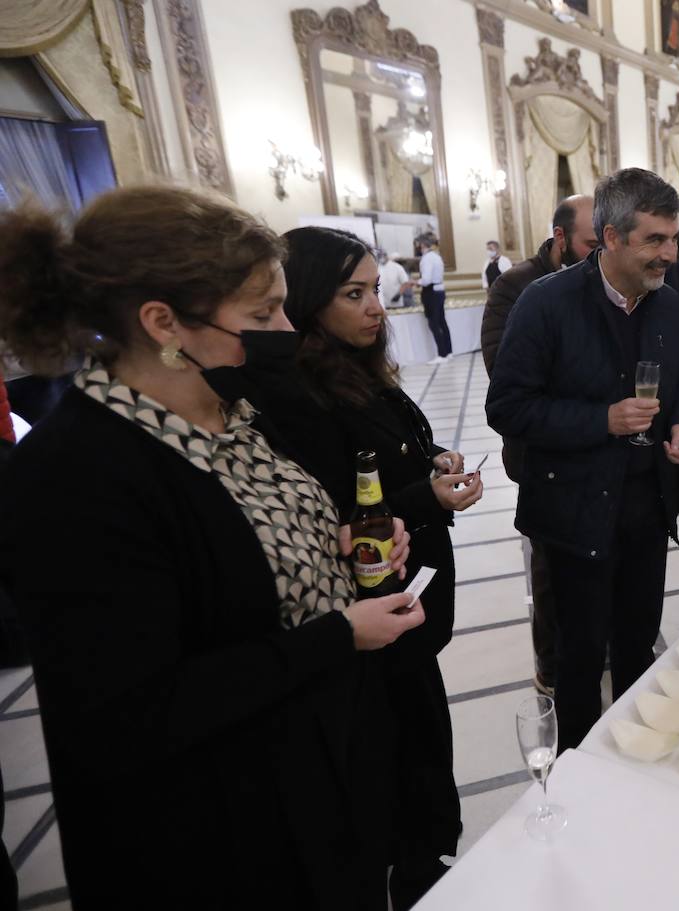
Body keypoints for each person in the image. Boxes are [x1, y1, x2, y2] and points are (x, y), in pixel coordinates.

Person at [0, 187, 421, 909]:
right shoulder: (77, 475)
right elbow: (130, 713)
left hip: (317, 781)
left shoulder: (238, 411)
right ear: (164, 322)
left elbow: (243, 562)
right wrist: (336, 635)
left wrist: (332, 548)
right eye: (262, 314)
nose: (286, 330)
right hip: (220, 838)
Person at [276, 227, 484, 910]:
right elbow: (332, 515)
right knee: (400, 754)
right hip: (371, 610)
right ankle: (415, 870)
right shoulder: (304, 394)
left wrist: (434, 464)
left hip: (410, 596)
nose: (375, 306)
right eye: (353, 293)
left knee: (424, 738)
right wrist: (423, 494)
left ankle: (427, 858)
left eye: (373, 288)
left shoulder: (362, 369)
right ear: (307, 301)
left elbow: (391, 457)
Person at [487, 168, 679, 751]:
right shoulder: (545, 304)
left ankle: (631, 756)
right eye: (653, 240)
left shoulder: (669, 305)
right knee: (580, 656)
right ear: (609, 237)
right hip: (573, 509)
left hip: (645, 506)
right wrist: (600, 420)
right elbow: (506, 407)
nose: (668, 254)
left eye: (673, 238)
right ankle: (580, 772)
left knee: (638, 642)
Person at [480, 194, 598, 697]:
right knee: (550, 570)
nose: (600, 253)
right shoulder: (515, 287)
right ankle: (550, 666)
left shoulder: (602, 279)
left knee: (597, 557)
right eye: (592, 243)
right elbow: (504, 376)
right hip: (541, 456)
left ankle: (595, 646)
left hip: (597, 448)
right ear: (560, 238)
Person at [417, 233, 451, 364]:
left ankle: (441, 354)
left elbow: (426, 280)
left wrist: (415, 282)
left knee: (434, 323)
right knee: (442, 322)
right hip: (440, 291)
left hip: (431, 292)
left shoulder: (427, 259)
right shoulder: (437, 257)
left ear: (423, 245)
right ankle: (449, 352)